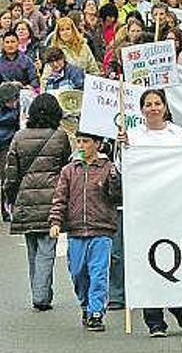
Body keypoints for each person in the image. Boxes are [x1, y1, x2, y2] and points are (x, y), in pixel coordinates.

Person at [116, 89, 182, 337]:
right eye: (148, 104)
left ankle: (178, 305)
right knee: (148, 263)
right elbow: (122, 169)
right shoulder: (133, 135)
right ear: (141, 110)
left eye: (157, 103)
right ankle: (154, 321)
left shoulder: (178, 133)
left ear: (165, 106)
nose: (153, 108)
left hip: (173, 207)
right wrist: (122, 148)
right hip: (144, 209)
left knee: (174, 259)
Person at [48, 131, 121, 332]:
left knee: (98, 273)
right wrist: (56, 221)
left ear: (97, 144)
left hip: (101, 229)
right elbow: (60, 198)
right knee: (78, 273)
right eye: (78, 141)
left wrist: (115, 180)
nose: (81, 145)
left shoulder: (108, 168)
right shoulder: (69, 170)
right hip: (76, 230)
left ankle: (96, 312)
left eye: (86, 141)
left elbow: (117, 197)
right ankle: (86, 305)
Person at [4, 94, 72, 311]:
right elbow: (66, 170)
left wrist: (12, 199)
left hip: (25, 199)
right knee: (47, 248)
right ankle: (42, 294)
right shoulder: (60, 137)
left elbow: (11, 175)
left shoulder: (18, 137)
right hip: (52, 199)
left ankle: (40, 291)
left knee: (32, 248)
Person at [0, 82, 20, 221]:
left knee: (6, 177)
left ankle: (6, 209)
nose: (12, 103)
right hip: (4, 141)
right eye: (8, 101)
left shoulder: (19, 106)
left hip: (8, 144)